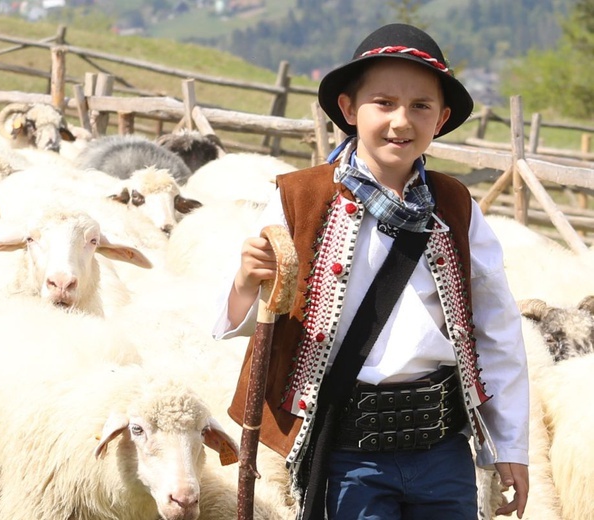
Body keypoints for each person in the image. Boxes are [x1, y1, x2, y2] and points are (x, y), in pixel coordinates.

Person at [213, 23, 529, 520]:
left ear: (442, 118)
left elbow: (497, 328)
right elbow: (253, 318)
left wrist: (509, 444)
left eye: (421, 106)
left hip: (442, 449)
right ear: (348, 109)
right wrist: (245, 281)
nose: (401, 122)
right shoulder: (299, 199)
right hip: (348, 454)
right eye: (383, 103)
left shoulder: (456, 206)